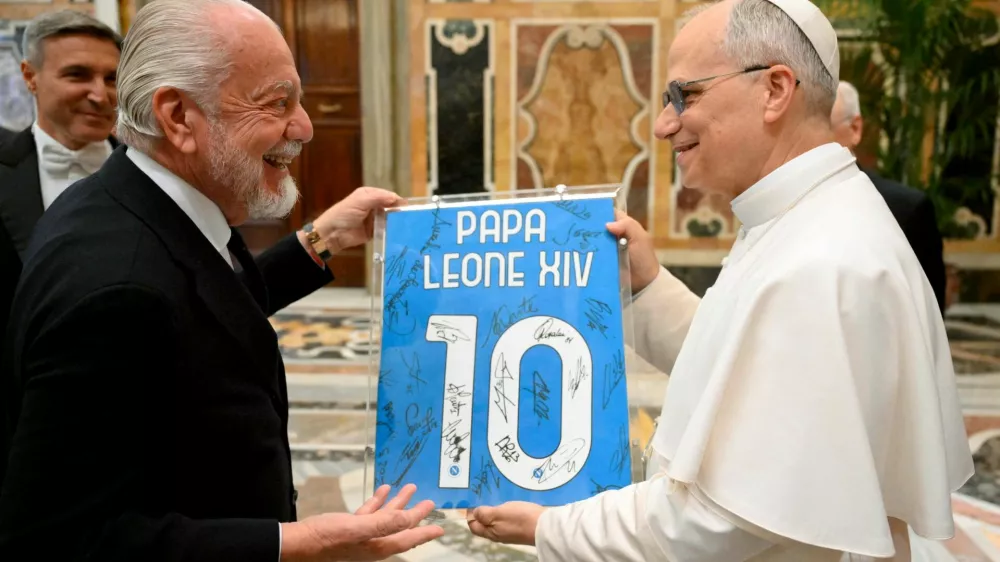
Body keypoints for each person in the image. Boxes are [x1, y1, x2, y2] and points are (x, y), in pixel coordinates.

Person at [466, 0, 972, 560]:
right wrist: (646, 287)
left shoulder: (822, 260)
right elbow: (750, 373)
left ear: (775, 90)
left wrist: (551, 525)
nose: (662, 124)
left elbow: (723, 519)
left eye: (686, 95)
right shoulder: (804, 217)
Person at [0, 1, 443, 560]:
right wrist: (294, 544)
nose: (305, 127)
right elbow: (61, 539)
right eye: (278, 103)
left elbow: (203, 306)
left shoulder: (151, 200)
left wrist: (320, 241)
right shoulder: (115, 290)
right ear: (179, 117)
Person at [0, 10, 121, 384]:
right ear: (30, 77)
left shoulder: (159, 171)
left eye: (112, 78)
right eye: (77, 75)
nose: (100, 95)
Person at [832, 80, 947, 313]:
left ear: (855, 129)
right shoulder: (780, 206)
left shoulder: (906, 209)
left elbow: (928, 314)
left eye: (821, 125)